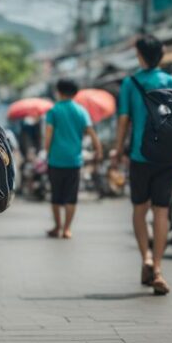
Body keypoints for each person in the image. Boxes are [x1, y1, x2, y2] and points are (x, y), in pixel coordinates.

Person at [112, 34, 172, 296]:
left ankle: (145, 257)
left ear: (140, 55)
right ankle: (158, 267)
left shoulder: (131, 83)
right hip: (168, 159)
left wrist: (118, 151)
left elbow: (123, 121)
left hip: (140, 156)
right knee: (162, 212)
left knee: (140, 209)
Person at [43, 78, 103, 239]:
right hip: (74, 160)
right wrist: (98, 149)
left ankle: (57, 226)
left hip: (56, 160)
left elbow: (48, 135)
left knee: (56, 195)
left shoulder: (54, 111)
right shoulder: (81, 111)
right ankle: (67, 229)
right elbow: (91, 132)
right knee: (71, 196)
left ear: (59, 92)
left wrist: (46, 151)